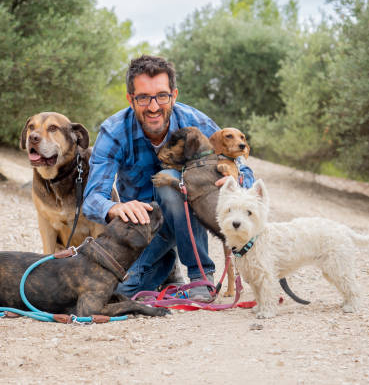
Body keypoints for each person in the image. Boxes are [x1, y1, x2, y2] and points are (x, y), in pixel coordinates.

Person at [82, 55, 254, 302]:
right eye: (143, 98)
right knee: (118, 294)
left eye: (162, 96)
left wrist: (235, 180)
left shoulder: (194, 122)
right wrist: (116, 207)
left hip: (188, 216)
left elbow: (242, 165)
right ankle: (167, 270)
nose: (153, 107)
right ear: (131, 99)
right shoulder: (113, 131)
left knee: (169, 180)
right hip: (143, 229)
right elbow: (92, 199)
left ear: (174, 95)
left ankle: (200, 277)